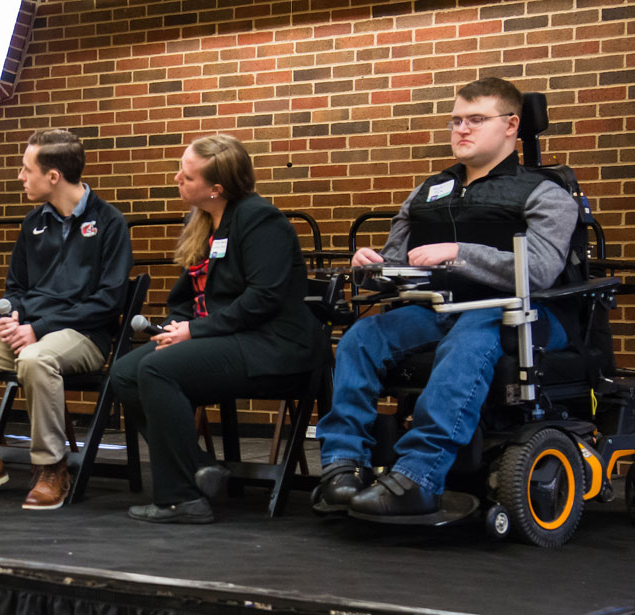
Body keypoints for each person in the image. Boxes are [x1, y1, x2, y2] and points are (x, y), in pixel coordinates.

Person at [314, 77, 578, 518]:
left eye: (476, 120)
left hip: (520, 315)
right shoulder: (428, 193)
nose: (462, 129)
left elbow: (540, 270)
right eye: (456, 120)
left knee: (474, 330)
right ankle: (343, 464)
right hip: (439, 310)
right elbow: (399, 264)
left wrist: (459, 253)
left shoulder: (544, 193)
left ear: (511, 125)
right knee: (363, 336)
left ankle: (419, 475)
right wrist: (373, 266)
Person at [109, 134, 326, 524]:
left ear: (216, 188)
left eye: (187, 176)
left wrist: (196, 331)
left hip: (273, 343)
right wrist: (178, 323)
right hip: (226, 336)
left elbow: (263, 297)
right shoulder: (205, 224)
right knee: (124, 373)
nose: (177, 178)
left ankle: (181, 499)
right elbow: (187, 293)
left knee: (157, 369)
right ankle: (198, 467)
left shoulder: (260, 220)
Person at [0, 128, 132, 511]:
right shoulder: (33, 222)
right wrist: (12, 318)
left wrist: (38, 329)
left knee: (35, 359)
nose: (20, 176)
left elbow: (108, 301)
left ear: (53, 176)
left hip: (82, 335)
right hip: (27, 332)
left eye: (25, 168)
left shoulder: (109, 222)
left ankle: (51, 467)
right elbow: (15, 287)